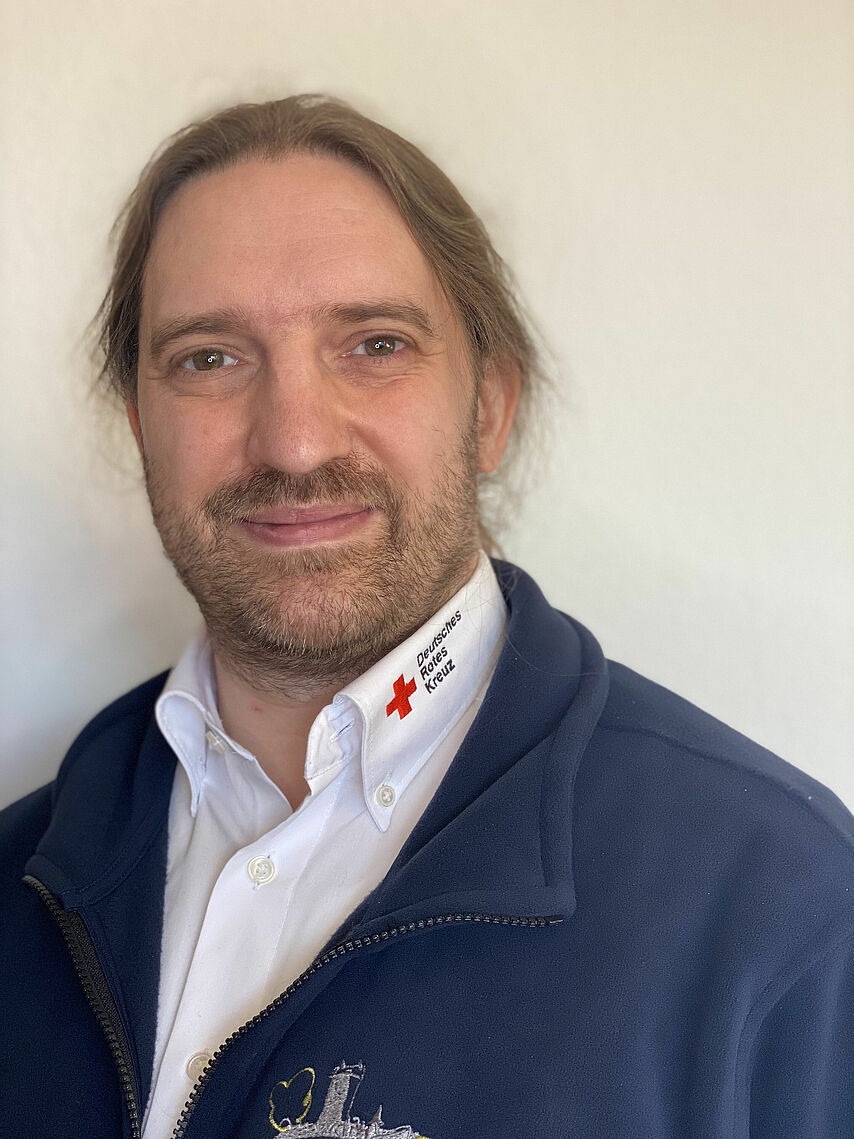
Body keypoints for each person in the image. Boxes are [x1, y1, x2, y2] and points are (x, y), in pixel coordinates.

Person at [1, 94, 852, 1139]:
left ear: (489, 406)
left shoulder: (783, 905)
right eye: (208, 358)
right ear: (141, 426)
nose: (295, 443)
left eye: (375, 343)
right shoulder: (20, 878)